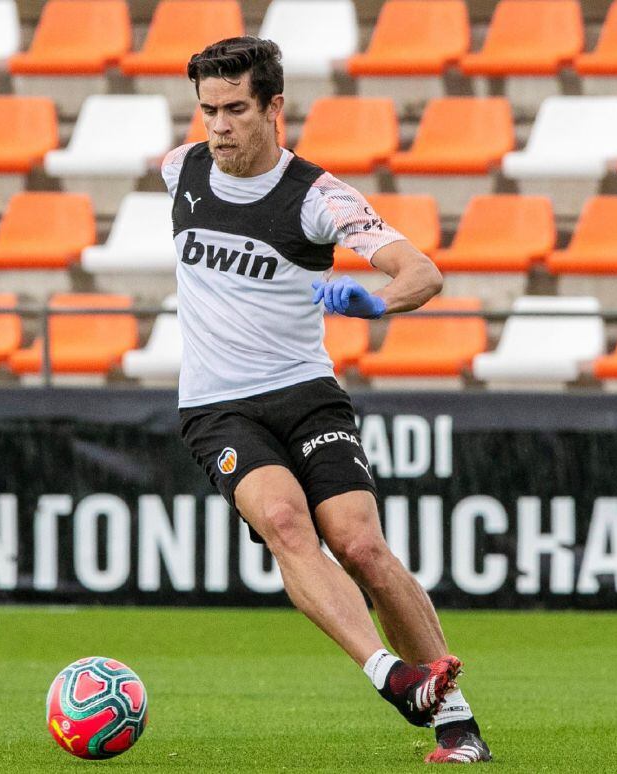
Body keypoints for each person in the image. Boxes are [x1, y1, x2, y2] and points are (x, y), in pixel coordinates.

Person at [161, 36, 491, 764]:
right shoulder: (178, 170)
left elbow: (422, 272)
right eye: (208, 109)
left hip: (306, 393)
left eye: (236, 109)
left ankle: (458, 723)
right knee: (283, 520)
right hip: (219, 405)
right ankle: (394, 676)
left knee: (362, 545)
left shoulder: (318, 197)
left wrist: (375, 304)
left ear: (275, 108)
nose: (218, 125)